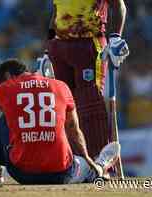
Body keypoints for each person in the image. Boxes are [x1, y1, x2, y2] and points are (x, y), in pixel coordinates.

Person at [0, 59, 120, 184]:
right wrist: (87, 159)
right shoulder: (62, 86)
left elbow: (11, 120)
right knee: (85, 167)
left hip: (22, 174)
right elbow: (73, 130)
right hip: (61, 173)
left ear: (8, 77)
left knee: (4, 120)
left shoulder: (4, 89)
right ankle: (98, 167)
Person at [47, 0, 129, 158]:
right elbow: (56, 14)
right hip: (59, 46)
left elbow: (119, 6)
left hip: (89, 42)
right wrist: (48, 47)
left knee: (90, 104)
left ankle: (99, 162)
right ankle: (74, 162)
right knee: (65, 106)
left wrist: (116, 37)